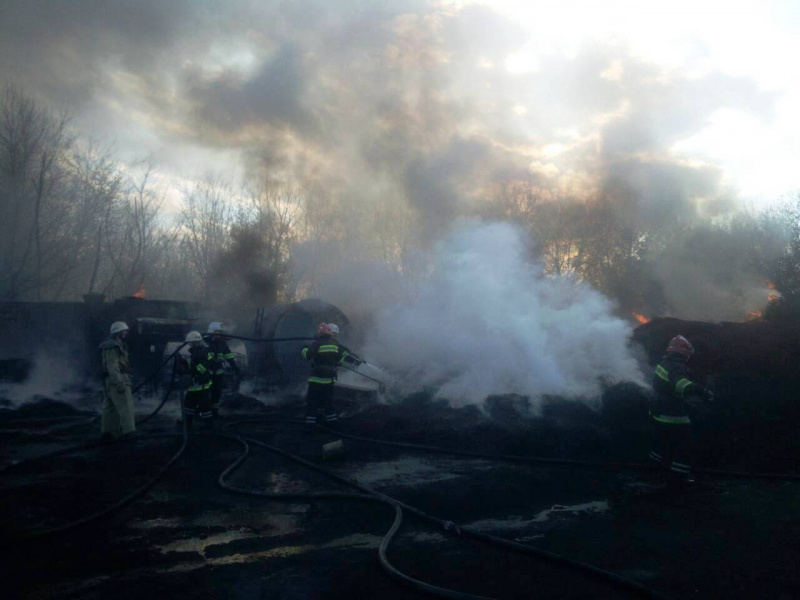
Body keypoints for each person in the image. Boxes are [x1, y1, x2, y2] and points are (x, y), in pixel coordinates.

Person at [650, 335, 714, 489]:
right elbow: (682, 385)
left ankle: (655, 473)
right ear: (684, 351)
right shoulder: (676, 367)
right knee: (685, 446)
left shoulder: (664, 362)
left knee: (662, 444)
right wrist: (703, 391)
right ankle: (678, 480)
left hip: (658, 412)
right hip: (673, 414)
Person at [301, 322, 348, 424]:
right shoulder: (335, 344)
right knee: (327, 401)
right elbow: (340, 359)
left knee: (312, 401)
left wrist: (303, 349)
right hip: (329, 379)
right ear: (328, 332)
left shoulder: (316, 343)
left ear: (318, 333)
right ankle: (331, 422)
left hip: (316, 379)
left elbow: (308, 356)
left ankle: (310, 424)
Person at [99, 321, 135, 438]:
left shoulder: (114, 345)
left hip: (110, 381)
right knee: (126, 407)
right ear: (118, 332)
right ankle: (129, 432)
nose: (126, 332)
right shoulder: (112, 346)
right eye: (124, 331)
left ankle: (107, 432)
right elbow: (113, 367)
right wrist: (119, 383)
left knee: (109, 408)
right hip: (117, 380)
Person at [204, 321, 241, 418]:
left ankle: (215, 412)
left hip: (218, 374)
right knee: (204, 394)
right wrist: (212, 361)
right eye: (217, 333)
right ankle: (204, 413)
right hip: (206, 374)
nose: (219, 335)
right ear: (211, 331)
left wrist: (235, 368)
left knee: (217, 393)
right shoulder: (205, 343)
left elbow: (229, 356)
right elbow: (201, 357)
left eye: (220, 333)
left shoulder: (222, 344)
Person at [182, 331, 214, 427]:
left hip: (200, 382)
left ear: (195, 342)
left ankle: (209, 424)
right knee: (190, 402)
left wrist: (191, 371)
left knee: (204, 405)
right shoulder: (199, 351)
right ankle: (187, 422)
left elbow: (203, 366)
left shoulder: (201, 352)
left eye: (190, 343)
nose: (189, 345)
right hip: (197, 383)